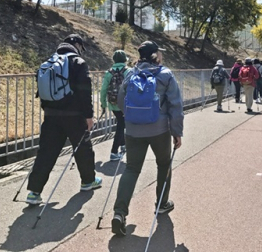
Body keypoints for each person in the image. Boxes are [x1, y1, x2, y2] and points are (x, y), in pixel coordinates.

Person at [111, 40, 184, 237]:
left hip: (133, 130)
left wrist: (131, 118)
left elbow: (120, 99)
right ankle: (162, 204)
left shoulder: (131, 74)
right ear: (155, 55)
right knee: (163, 164)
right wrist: (177, 132)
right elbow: (175, 104)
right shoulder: (165, 74)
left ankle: (119, 213)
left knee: (132, 168)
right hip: (159, 130)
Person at [26, 34, 102, 205]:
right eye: (81, 47)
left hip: (51, 115)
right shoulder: (77, 63)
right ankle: (88, 181)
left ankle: (34, 192)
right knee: (83, 148)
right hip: (74, 116)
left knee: (46, 152)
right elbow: (85, 90)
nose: (81, 51)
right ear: (76, 45)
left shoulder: (48, 63)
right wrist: (89, 115)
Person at [101, 50, 131, 161]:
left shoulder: (109, 72)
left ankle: (123, 146)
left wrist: (103, 104)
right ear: (125, 60)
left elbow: (103, 89)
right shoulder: (128, 71)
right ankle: (114, 152)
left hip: (113, 103)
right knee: (121, 125)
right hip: (125, 104)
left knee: (120, 122)